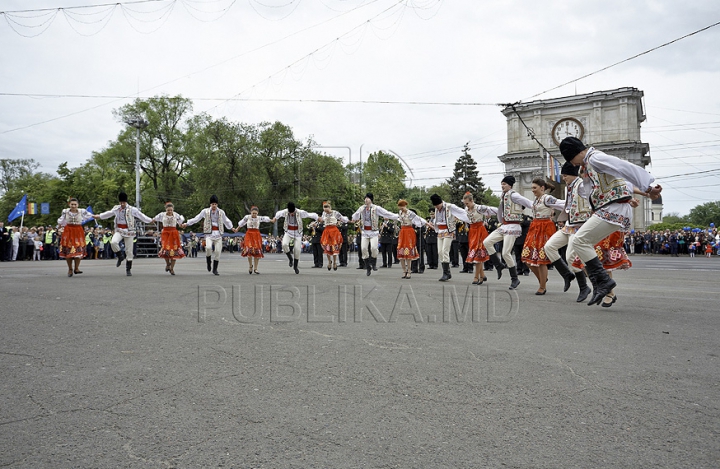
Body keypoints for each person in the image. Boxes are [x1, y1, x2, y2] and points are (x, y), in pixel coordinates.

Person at [560, 136, 661, 305]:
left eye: (571, 160)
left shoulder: (595, 158)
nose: (574, 164)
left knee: (579, 241)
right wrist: (645, 193)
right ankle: (601, 283)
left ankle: (603, 282)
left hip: (613, 208)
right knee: (582, 243)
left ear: (576, 153)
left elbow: (623, 168)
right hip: (610, 208)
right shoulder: (588, 165)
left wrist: (648, 187)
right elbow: (621, 182)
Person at [543, 162, 593, 302]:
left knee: (570, 257)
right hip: (569, 225)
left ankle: (584, 287)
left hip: (580, 226)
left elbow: (593, 197)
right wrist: (551, 202)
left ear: (572, 174)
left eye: (565, 176)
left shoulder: (582, 185)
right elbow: (567, 204)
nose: (563, 178)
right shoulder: (568, 188)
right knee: (549, 247)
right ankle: (567, 274)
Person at [483, 176, 533, 289]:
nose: (502, 186)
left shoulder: (514, 195)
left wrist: (538, 206)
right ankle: (498, 265)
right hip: (505, 226)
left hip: (513, 226)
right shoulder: (503, 196)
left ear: (510, 185)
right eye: (502, 184)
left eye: (504, 184)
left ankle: (514, 278)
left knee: (506, 253)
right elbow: (500, 211)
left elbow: (527, 202)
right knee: (487, 242)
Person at [95, 192, 153, 276]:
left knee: (129, 251)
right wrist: (99, 216)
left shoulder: (132, 209)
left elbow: (141, 216)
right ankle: (120, 256)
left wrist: (150, 220)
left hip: (129, 231)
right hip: (119, 230)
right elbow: (108, 213)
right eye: (121, 202)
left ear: (126, 201)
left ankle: (128, 269)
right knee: (113, 242)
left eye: (123, 202)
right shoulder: (116, 208)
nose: (122, 204)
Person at [521, 178, 562, 295]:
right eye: (532, 188)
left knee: (541, 259)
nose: (533, 190)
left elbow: (561, 204)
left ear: (542, 188)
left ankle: (542, 286)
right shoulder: (536, 199)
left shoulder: (547, 198)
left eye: (535, 188)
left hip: (544, 228)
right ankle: (542, 279)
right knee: (526, 258)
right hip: (535, 227)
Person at [183, 195, 233, 276]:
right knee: (208, 247)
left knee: (218, 251)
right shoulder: (205, 211)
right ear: (210, 204)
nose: (214, 206)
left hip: (218, 234)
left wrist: (231, 228)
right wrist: (187, 223)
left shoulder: (221, 212)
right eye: (212, 204)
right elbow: (197, 218)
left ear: (217, 205)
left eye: (215, 204)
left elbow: (226, 220)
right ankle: (208, 261)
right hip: (209, 233)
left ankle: (215, 268)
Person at [351, 193, 400, 276]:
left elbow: (386, 213)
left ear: (371, 199)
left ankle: (373, 263)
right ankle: (367, 266)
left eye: (368, 198)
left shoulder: (376, 208)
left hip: (373, 232)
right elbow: (355, 216)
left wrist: (397, 216)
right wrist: (355, 216)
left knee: (374, 248)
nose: (366, 200)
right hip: (365, 232)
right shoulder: (361, 208)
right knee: (363, 249)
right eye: (365, 198)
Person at [428, 193, 471, 282]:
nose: (437, 208)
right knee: (440, 252)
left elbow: (461, 211)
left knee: (445, 250)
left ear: (441, 202)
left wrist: (470, 216)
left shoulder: (450, 206)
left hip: (448, 231)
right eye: (435, 206)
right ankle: (447, 272)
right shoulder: (436, 209)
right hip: (440, 231)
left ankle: (446, 273)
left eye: (438, 205)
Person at [271, 202, 318, 274]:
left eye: (292, 212)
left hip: (298, 232)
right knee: (284, 244)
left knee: (297, 249)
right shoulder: (285, 212)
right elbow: (278, 213)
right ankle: (290, 258)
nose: (291, 214)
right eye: (290, 213)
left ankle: (295, 266)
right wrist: (275, 218)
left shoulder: (300, 212)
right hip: (288, 231)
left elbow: (311, 214)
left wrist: (318, 218)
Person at [462, 191, 495, 285]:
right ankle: (483, 275)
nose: (466, 205)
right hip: (472, 231)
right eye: (465, 204)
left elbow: (491, 210)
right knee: (475, 253)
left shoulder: (479, 208)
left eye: (467, 203)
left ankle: (476, 277)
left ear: (472, 201)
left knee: (478, 254)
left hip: (480, 231)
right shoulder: (465, 209)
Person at [57, 198, 95, 276]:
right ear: (69, 204)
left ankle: (76, 268)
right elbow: (61, 221)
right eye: (72, 204)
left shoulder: (82, 211)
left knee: (78, 249)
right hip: (68, 231)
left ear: (78, 205)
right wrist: (59, 228)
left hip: (78, 231)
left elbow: (91, 216)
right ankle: (70, 269)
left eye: (75, 204)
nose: (73, 206)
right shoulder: (65, 211)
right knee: (68, 250)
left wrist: (100, 216)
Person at [233, 206, 271, 274]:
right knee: (249, 249)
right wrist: (237, 229)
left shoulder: (259, 218)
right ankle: (250, 266)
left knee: (257, 251)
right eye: (253, 213)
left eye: (256, 213)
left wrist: (272, 220)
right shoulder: (247, 217)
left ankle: (256, 268)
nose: (254, 215)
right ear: (251, 212)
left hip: (256, 234)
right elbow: (241, 223)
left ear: (257, 213)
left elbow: (266, 219)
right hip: (249, 234)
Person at [396, 200, 427, 279]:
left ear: (405, 205)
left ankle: (409, 271)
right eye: (400, 206)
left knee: (408, 250)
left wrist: (427, 223)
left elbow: (419, 220)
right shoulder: (399, 213)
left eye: (402, 206)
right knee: (401, 250)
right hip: (402, 231)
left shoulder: (410, 213)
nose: (401, 208)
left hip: (409, 231)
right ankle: (404, 270)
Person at [153, 202, 186, 275]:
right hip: (165, 234)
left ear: (173, 210)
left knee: (174, 251)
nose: (170, 211)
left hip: (174, 234)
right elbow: (154, 219)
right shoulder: (162, 215)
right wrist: (150, 220)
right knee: (166, 250)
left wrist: (183, 225)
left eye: (171, 210)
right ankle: (168, 264)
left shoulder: (176, 215)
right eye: (168, 210)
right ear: (166, 210)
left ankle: (172, 268)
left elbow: (180, 223)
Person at [317, 201, 348, 271]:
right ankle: (329, 261)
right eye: (324, 207)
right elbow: (322, 220)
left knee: (334, 247)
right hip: (327, 230)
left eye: (326, 207)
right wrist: (318, 220)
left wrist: (347, 220)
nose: (325, 209)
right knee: (326, 246)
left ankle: (334, 262)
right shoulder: (323, 213)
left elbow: (343, 219)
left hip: (334, 230)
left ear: (330, 207)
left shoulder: (335, 213)